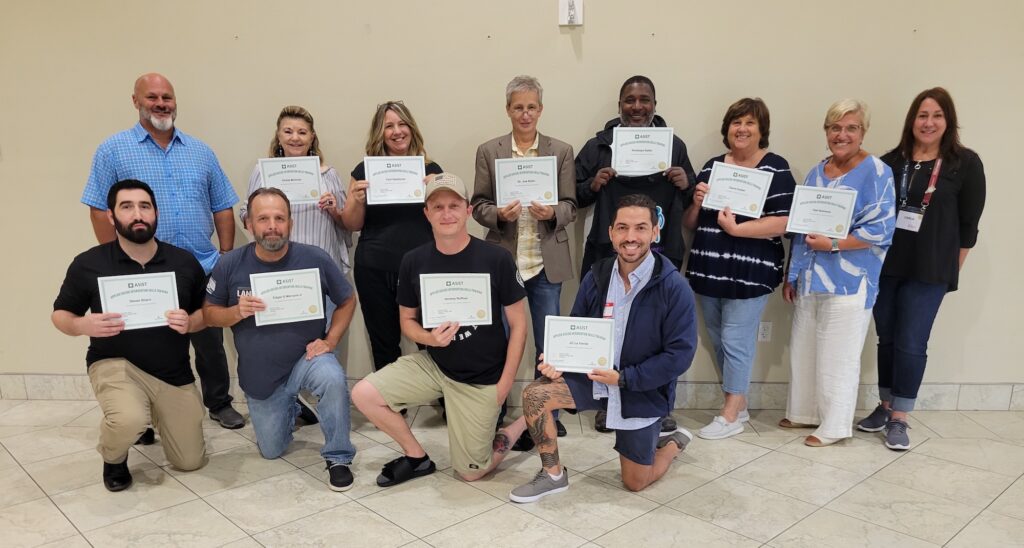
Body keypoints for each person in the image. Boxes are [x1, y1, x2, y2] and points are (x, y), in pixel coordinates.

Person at [507, 194, 697, 502]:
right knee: (536, 394)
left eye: (640, 228)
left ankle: (672, 444)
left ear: (655, 232)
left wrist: (624, 379)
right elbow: (575, 331)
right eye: (622, 228)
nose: (630, 237)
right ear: (610, 233)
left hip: (639, 389)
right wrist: (557, 361)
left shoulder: (674, 287)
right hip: (594, 379)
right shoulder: (596, 276)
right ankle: (553, 474)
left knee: (636, 482)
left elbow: (679, 355)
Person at [81, 73, 244, 429]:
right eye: (152, 97)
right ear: (135, 100)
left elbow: (223, 206)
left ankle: (218, 401)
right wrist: (116, 259)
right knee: (145, 343)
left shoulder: (201, 151)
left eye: (167, 97)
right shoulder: (113, 149)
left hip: (200, 266)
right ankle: (142, 415)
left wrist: (226, 256)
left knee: (208, 338)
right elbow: (98, 207)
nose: (160, 103)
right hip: (142, 270)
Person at [351, 173, 529, 486]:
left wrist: (504, 385)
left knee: (471, 472)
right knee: (364, 394)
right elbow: (407, 322)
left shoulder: (496, 257)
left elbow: (518, 325)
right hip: (435, 365)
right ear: (427, 213)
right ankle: (417, 457)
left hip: (481, 378)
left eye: (453, 205)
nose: (446, 213)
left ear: (467, 210)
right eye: (438, 206)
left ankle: (523, 423)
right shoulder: (413, 261)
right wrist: (428, 338)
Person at [53, 180, 207, 492]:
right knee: (127, 420)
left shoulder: (183, 262)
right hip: (115, 364)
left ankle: (151, 415)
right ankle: (114, 455)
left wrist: (189, 323)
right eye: (127, 207)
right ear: (111, 216)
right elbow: (60, 315)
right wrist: (84, 325)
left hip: (173, 371)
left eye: (144, 206)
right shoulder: (89, 263)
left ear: (156, 213)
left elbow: (206, 313)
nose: (137, 214)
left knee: (189, 461)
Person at [204, 188, 359, 491]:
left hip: (307, 358)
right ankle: (293, 406)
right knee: (271, 451)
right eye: (263, 218)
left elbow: (347, 299)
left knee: (332, 377)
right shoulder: (229, 264)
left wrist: (330, 339)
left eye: (279, 218)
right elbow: (209, 315)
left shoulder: (315, 257)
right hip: (261, 372)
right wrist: (236, 311)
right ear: (249, 224)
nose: (272, 226)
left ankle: (339, 456)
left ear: (291, 223)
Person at [857, 88, 986, 450]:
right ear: (911, 121)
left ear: (948, 122)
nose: (928, 123)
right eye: (922, 115)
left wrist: (950, 273)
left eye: (937, 116)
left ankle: (901, 418)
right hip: (887, 266)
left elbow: (968, 228)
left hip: (930, 271)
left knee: (913, 342)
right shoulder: (889, 163)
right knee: (888, 339)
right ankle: (884, 406)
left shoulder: (966, 164)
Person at [574, 75, 695, 432]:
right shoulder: (599, 146)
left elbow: (693, 197)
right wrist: (593, 184)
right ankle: (603, 399)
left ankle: (660, 402)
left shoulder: (674, 145)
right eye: (630, 100)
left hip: (663, 252)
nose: (637, 107)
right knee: (604, 326)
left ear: (655, 105)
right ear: (620, 105)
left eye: (645, 100)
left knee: (659, 333)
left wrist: (684, 182)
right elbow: (573, 193)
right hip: (607, 253)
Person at [782, 99, 895, 447]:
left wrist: (832, 245)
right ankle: (805, 412)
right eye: (835, 127)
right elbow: (802, 228)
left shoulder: (877, 172)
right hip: (812, 276)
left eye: (851, 128)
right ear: (826, 131)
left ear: (863, 132)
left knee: (839, 354)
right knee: (805, 346)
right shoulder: (818, 171)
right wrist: (793, 273)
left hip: (851, 279)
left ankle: (833, 425)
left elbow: (881, 230)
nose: (842, 134)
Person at [683, 98, 796, 439]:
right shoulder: (712, 167)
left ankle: (730, 414)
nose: (742, 129)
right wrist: (696, 203)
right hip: (708, 268)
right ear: (727, 129)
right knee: (718, 339)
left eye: (749, 123)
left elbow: (785, 223)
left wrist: (738, 230)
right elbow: (691, 224)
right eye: (736, 122)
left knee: (736, 339)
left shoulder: (776, 168)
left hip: (752, 272)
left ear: (762, 130)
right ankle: (740, 403)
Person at [471, 75, 577, 439]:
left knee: (548, 344)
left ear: (541, 109)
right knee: (498, 341)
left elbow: (571, 205)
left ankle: (546, 413)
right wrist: (499, 214)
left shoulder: (561, 150)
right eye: (519, 107)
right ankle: (496, 410)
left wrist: (554, 214)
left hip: (545, 263)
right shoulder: (489, 151)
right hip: (504, 263)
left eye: (532, 106)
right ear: (508, 110)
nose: (525, 113)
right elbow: (478, 205)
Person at [342, 101, 444, 372]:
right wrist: (355, 200)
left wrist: (434, 194)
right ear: (380, 132)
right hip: (374, 268)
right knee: (384, 343)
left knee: (433, 339)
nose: (397, 131)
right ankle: (390, 407)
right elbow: (351, 223)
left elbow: (448, 222)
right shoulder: (364, 170)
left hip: (422, 268)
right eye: (389, 126)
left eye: (402, 124)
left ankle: (445, 400)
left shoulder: (431, 170)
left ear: (412, 129)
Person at [240, 105, 350, 273]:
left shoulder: (329, 175)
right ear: (278, 136)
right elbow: (245, 214)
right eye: (288, 131)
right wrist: (261, 214)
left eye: (302, 132)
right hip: (274, 264)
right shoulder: (262, 172)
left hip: (321, 264)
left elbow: (347, 223)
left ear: (312, 137)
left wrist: (334, 211)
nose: (295, 138)